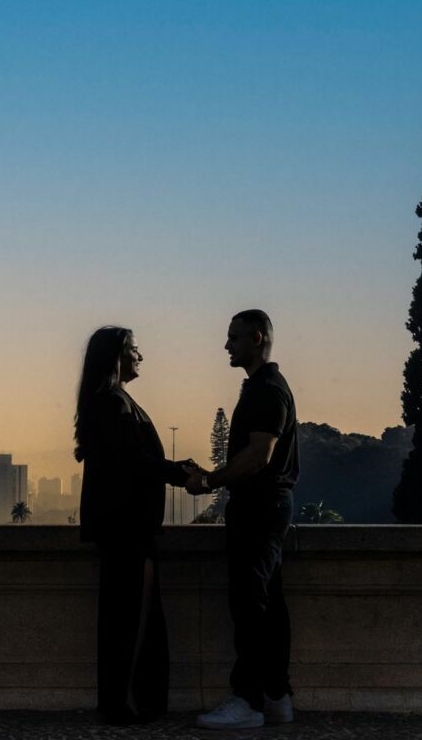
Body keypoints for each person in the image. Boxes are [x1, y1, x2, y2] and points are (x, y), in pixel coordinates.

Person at [75, 325, 202, 724]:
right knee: (131, 619)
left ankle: (124, 700)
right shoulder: (114, 403)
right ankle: (125, 702)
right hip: (127, 528)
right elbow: (132, 462)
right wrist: (181, 474)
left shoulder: (112, 401)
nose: (140, 356)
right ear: (116, 357)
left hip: (124, 527)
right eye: (133, 349)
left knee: (128, 616)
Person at [188, 309, 299, 730]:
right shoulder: (264, 387)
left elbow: (258, 455)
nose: (226, 345)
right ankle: (276, 696)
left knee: (248, 600)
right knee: (267, 602)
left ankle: (248, 700)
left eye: (233, 338)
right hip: (267, 505)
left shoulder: (267, 391)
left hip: (260, 506)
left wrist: (211, 480)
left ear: (256, 338)